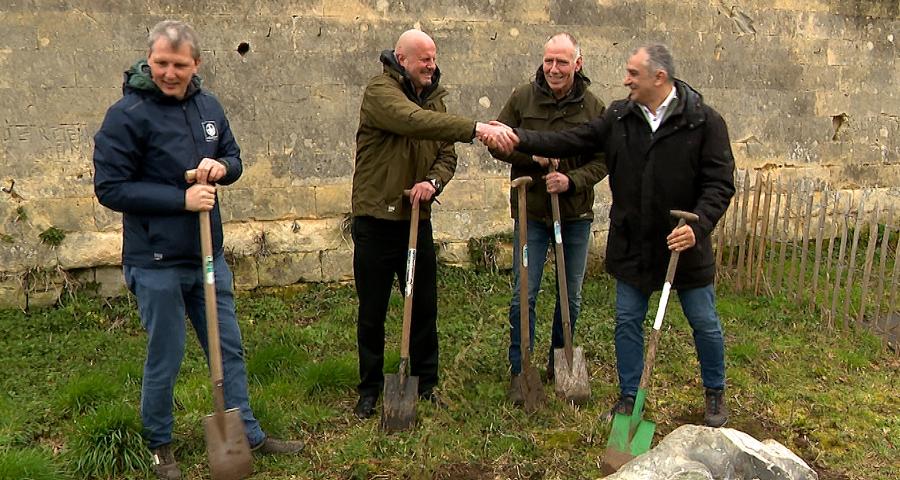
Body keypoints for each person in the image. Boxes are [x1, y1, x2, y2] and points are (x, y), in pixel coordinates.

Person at [93, 20, 304, 480]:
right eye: (161, 63)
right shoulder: (126, 116)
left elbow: (234, 158)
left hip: (209, 257)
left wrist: (221, 166)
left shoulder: (208, 107)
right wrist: (179, 199)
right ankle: (159, 444)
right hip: (155, 262)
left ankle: (246, 433)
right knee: (165, 355)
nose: (169, 73)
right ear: (148, 61)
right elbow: (110, 188)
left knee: (228, 349)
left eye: (179, 65)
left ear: (197, 64)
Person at [485, 43, 735, 427]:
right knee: (627, 322)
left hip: (680, 246)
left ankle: (715, 393)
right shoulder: (619, 116)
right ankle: (629, 396)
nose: (625, 80)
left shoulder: (704, 121)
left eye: (633, 73)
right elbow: (571, 140)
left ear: (659, 77)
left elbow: (719, 184)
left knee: (704, 321)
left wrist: (698, 225)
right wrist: (518, 138)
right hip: (632, 242)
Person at [351, 29, 510, 419]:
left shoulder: (435, 99)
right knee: (372, 310)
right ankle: (369, 388)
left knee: (424, 306)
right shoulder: (380, 93)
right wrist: (476, 128)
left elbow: (445, 155)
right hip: (375, 217)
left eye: (434, 58)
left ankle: (425, 383)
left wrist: (432, 182)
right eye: (424, 59)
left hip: (416, 218)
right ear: (401, 59)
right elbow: (413, 122)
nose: (431, 65)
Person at [488, 33, 607, 404]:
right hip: (531, 211)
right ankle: (520, 368)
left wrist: (572, 180)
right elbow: (497, 140)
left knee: (570, 296)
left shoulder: (593, 107)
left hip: (575, 215)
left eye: (562, 62)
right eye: (548, 61)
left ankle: (563, 361)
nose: (554, 69)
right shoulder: (523, 98)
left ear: (578, 63)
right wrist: (532, 158)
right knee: (524, 293)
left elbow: (604, 159)